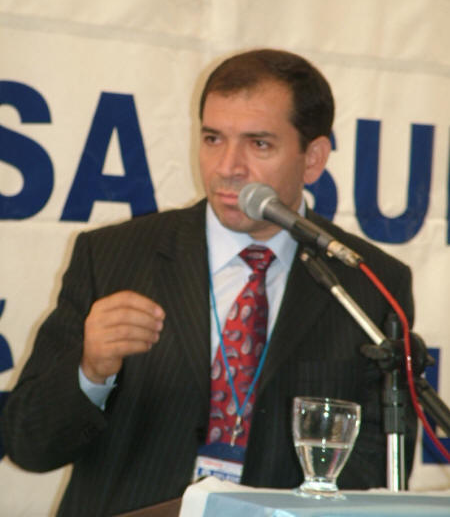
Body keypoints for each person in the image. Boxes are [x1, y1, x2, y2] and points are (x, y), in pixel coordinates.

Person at [1, 49, 416, 516]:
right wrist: (90, 371)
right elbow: (28, 446)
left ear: (313, 158)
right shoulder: (113, 257)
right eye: (213, 139)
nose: (228, 167)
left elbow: (377, 481)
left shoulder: (368, 283)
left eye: (259, 144)